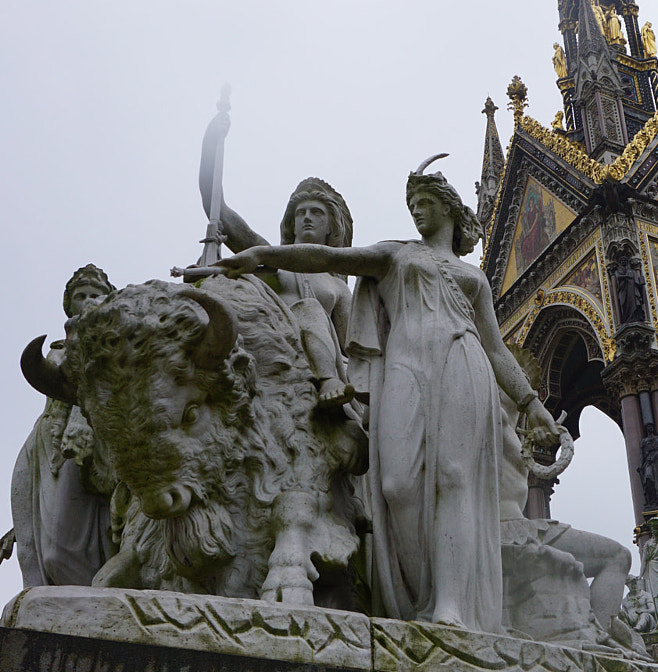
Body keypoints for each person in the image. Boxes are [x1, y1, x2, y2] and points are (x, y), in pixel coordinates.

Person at [202, 160, 560, 633]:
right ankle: (418, 596)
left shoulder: (473, 278)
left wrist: (532, 404)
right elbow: (326, 259)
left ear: (450, 210)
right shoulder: (395, 253)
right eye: (412, 205)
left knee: (453, 476)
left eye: (425, 204)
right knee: (397, 487)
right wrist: (261, 255)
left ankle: (448, 605)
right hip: (406, 368)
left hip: (462, 357)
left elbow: (495, 349)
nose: (417, 213)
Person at [199, 124, 355, 410]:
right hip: (270, 340)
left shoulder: (338, 287)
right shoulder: (268, 258)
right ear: (291, 223)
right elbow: (218, 208)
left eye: (317, 213)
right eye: (301, 213)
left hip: (325, 355)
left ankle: (329, 380)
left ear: (331, 227)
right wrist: (211, 146)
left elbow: (351, 348)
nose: (307, 218)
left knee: (310, 308)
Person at [12, 265, 116, 587]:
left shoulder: (115, 350)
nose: (87, 301)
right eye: (80, 296)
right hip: (43, 442)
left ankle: (93, 592)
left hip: (85, 437)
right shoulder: (59, 349)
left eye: (95, 295)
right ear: (69, 305)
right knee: (35, 547)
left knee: (60, 551)